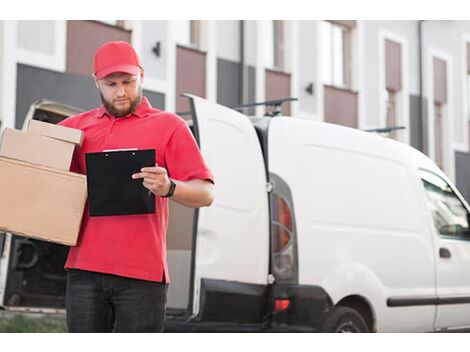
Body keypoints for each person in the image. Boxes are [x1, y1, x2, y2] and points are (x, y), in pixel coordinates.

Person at [58, 41, 214, 333]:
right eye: (111, 83)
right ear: (97, 82)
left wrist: (169, 187)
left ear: (141, 75)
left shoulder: (170, 126)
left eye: (128, 82)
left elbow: (205, 193)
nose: (120, 92)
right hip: (84, 271)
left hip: (142, 275)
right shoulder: (73, 129)